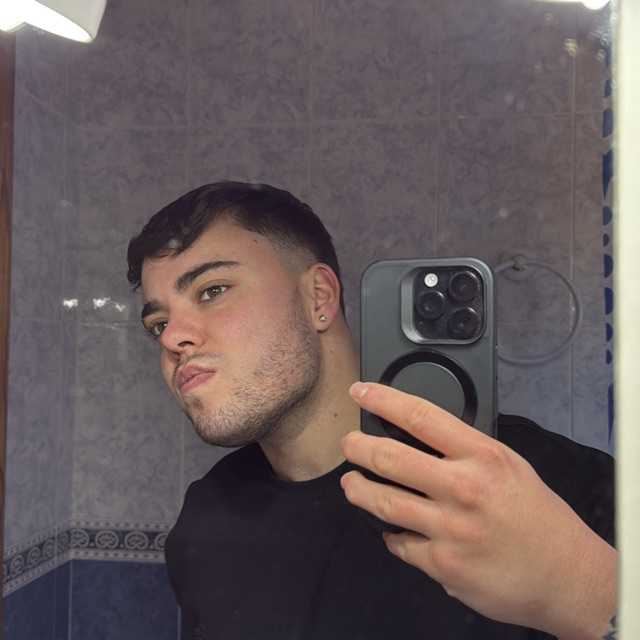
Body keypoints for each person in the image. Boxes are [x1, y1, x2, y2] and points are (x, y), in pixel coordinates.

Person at [126, 181, 616, 640]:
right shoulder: (206, 521)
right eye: (158, 323)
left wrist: (582, 587)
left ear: (318, 298)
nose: (172, 339)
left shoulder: (531, 481)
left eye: (212, 291)